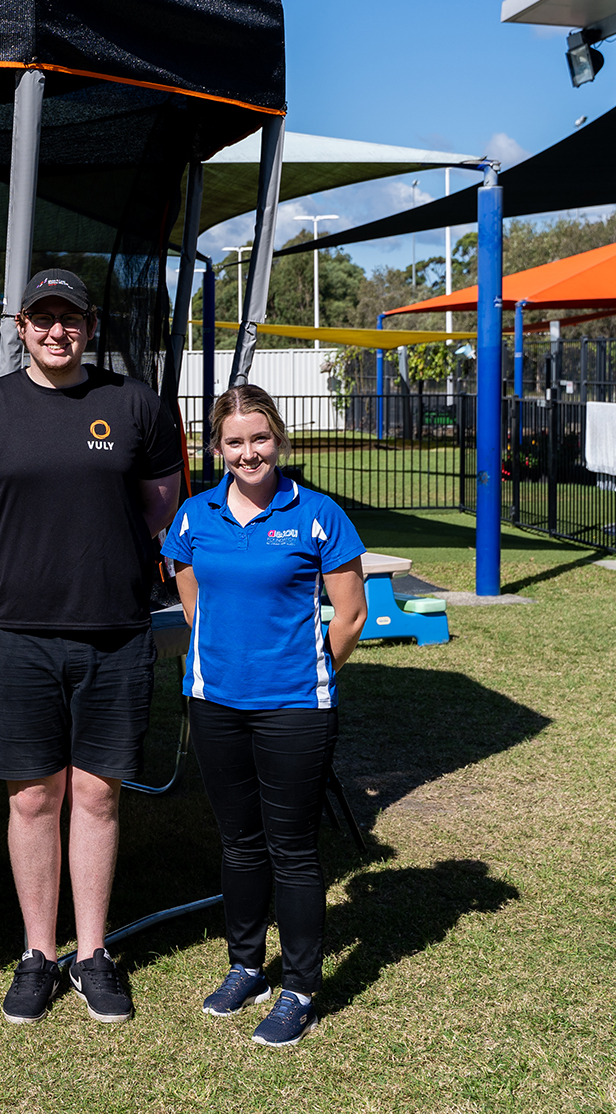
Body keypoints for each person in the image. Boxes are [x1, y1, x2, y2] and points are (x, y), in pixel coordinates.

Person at [0, 268, 186, 1025]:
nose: (55, 331)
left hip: (115, 632)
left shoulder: (133, 403)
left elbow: (159, 505)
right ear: (19, 325)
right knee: (34, 796)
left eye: (68, 318)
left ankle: (92, 953)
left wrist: (95, 553)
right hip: (15, 634)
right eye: (42, 318)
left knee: (100, 794)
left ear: (89, 323)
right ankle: (38, 952)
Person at [161, 383, 367, 1048]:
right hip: (215, 702)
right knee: (239, 843)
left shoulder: (318, 514)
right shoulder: (195, 514)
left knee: (294, 849)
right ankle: (245, 964)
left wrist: (304, 677)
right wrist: (219, 646)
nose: (248, 452)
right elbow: (186, 582)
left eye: (259, 438)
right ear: (216, 447)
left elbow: (352, 612)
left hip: (294, 711)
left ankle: (300, 986)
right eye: (234, 441)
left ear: (277, 439)